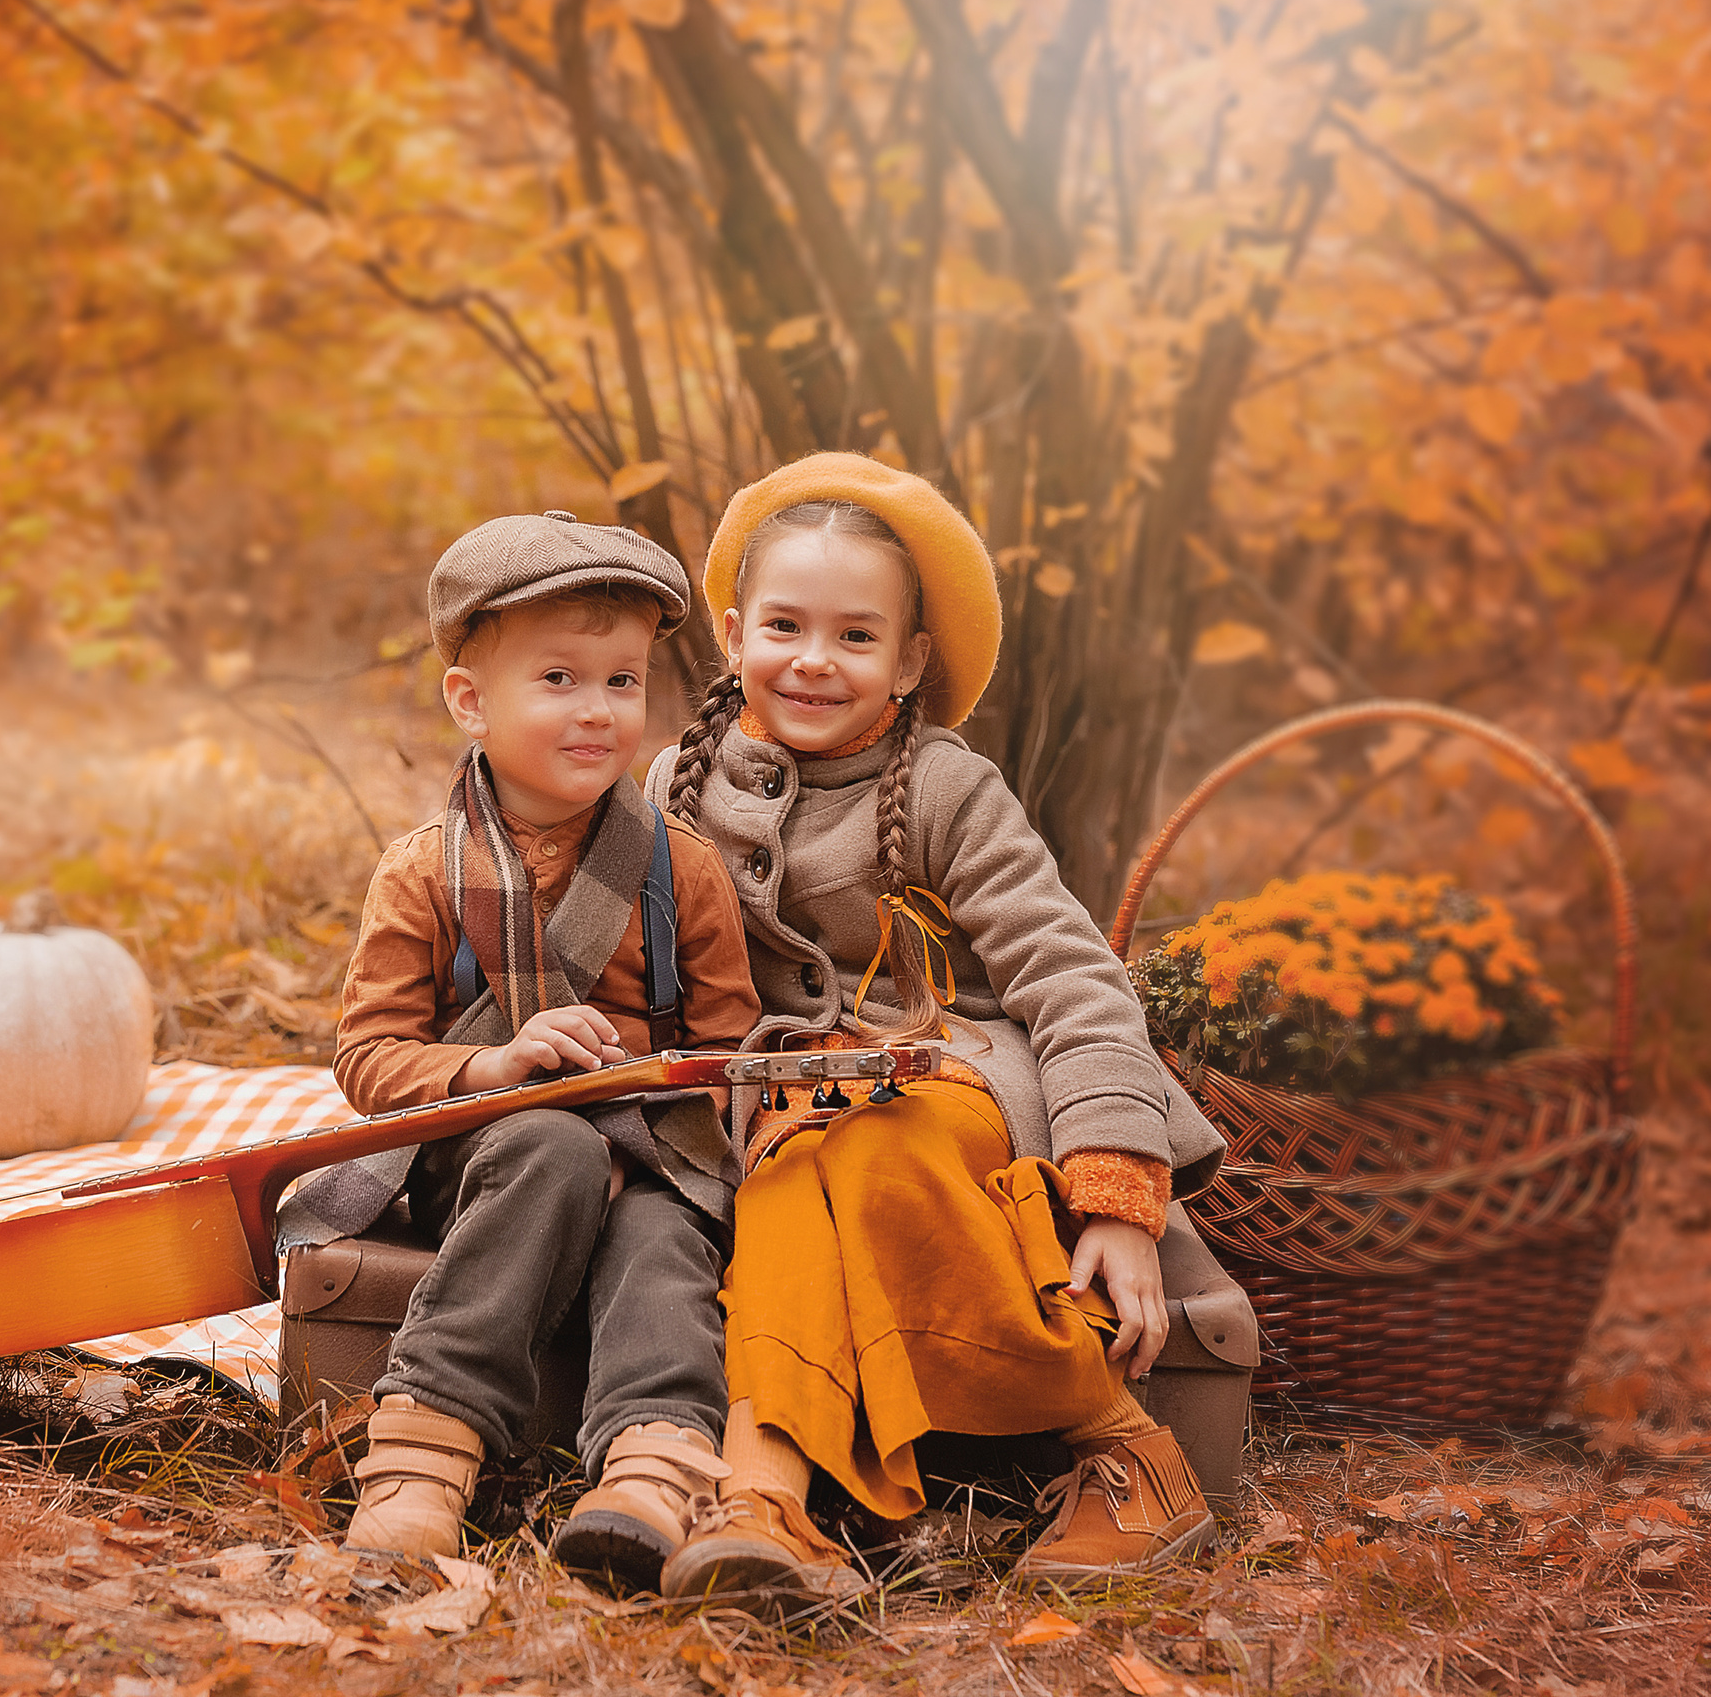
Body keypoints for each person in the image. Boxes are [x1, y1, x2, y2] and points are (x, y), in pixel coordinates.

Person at [641, 454, 1233, 1608]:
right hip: (774, 1100)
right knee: (791, 1164)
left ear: (910, 661)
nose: (815, 660)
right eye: (784, 626)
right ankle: (768, 1509)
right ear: (729, 633)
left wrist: (1115, 1190)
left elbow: (1070, 975)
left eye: (857, 637)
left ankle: (1119, 1444)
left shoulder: (951, 791)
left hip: (948, 1072)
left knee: (860, 1143)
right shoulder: (675, 780)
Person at [278, 510, 762, 1594]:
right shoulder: (424, 873)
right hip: (491, 1163)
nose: (597, 711)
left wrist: (669, 1120)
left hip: (650, 1154)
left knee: (658, 1238)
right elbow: (369, 1060)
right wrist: (491, 1069)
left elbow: (728, 1047)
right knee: (550, 1148)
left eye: (622, 683)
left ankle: (650, 1469)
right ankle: (424, 1450)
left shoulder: (679, 868)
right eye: (557, 679)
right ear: (469, 701)